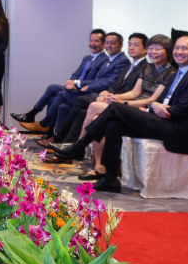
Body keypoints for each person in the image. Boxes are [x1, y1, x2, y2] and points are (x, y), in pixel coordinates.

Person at [47, 37, 188, 193]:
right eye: (177, 48)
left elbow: (182, 110)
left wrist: (154, 107)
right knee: (114, 123)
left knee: (115, 108)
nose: (179, 52)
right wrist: (153, 107)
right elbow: (157, 102)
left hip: (180, 130)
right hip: (163, 119)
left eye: (185, 48)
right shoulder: (180, 73)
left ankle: (78, 145)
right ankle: (110, 179)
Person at [72, 35, 176, 179]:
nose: (153, 52)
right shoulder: (148, 67)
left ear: (168, 51)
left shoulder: (171, 72)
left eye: (158, 49)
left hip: (145, 110)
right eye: (151, 48)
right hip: (133, 104)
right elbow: (135, 92)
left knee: (94, 106)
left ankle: (78, 146)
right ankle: (99, 166)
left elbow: (152, 99)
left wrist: (123, 103)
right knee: (95, 116)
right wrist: (116, 97)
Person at [54, 33, 152, 146]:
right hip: (111, 98)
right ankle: (69, 144)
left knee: (79, 99)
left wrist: (113, 97)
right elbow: (115, 85)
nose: (131, 48)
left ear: (145, 49)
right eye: (130, 45)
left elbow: (135, 93)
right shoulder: (128, 66)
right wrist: (106, 93)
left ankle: (61, 138)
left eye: (136, 45)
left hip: (121, 103)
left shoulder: (146, 68)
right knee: (80, 111)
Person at [10, 29, 112, 131]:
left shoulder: (105, 60)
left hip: (87, 92)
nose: (92, 43)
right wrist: (70, 83)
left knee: (54, 90)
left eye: (96, 41)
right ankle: (49, 132)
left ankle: (39, 120)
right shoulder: (87, 58)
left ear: (103, 44)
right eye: (91, 40)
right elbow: (76, 74)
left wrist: (77, 84)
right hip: (76, 89)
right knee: (52, 98)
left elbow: (98, 81)